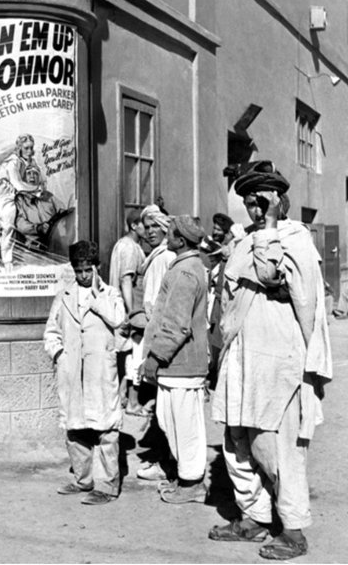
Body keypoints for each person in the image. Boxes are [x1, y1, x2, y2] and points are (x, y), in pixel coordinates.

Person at [209, 161, 332, 560]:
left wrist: (270, 229)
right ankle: (254, 516)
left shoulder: (294, 239)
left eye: (263, 203)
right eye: (250, 203)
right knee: (236, 442)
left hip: (278, 360)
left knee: (277, 448)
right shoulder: (244, 241)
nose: (256, 211)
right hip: (240, 357)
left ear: (280, 202)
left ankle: (293, 529)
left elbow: (272, 275)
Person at [44, 240, 127, 505]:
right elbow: (51, 331)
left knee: (105, 426)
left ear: (96, 267)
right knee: (75, 425)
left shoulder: (110, 294)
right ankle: (83, 479)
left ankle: (106, 485)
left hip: (100, 370)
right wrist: (58, 354)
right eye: (78, 271)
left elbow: (120, 323)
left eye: (87, 270)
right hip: (72, 371)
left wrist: (96, 297)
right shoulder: (64, 295)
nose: (82, 276)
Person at [140, 215, 210, 504]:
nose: (164, 235)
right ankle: (185, 479)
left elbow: (177, 324)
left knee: (184, 425)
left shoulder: (185, 273)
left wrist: (156, 357)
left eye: (169, 232)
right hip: (176, 365)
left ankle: (192, 483)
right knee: (170, 421)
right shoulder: (186, 267)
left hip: (180, 364)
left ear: (181, 240)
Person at [132, 205, 177, 481]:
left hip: (158, 334)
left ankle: (166, 462)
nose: (149, 232)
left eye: (154, 228)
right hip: (152, 330)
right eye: (146, 228)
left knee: (162, 404)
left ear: (164, 229)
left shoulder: (162, 259)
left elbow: (159, 306)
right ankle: (165, 458)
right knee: (159, 402)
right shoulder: (155, 257)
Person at [108, 209, 147, 416]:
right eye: (144, 225)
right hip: (127, 307)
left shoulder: (121, 245)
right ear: (134, 225)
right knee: (134, 354)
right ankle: (132, 402)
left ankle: (122, 395)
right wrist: (133, 313)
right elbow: (126, 281)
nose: (147, 230)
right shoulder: (130, 248)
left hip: (120, 306)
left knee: (127, 355)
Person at [0, 134, 44, 271]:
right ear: (20, 148)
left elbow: (40, 177)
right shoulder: (13, 162)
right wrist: (35, 188)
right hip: (8, 197)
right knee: (8, 225)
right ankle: (7, 261)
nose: (29, 151)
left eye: (31, 148)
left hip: (23, 196)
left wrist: (40, 188)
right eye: (26, 148)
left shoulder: (31, 161)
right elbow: (17, 184)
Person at [201, 212, 235, 389]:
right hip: (213, 296)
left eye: (219, 229)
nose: (215, 231)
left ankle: (218, 375)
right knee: (212, 336)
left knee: (220, 338)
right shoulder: (211, 247)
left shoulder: (229, 249)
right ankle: (212, 373)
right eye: (214, 228)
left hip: (222, 297)